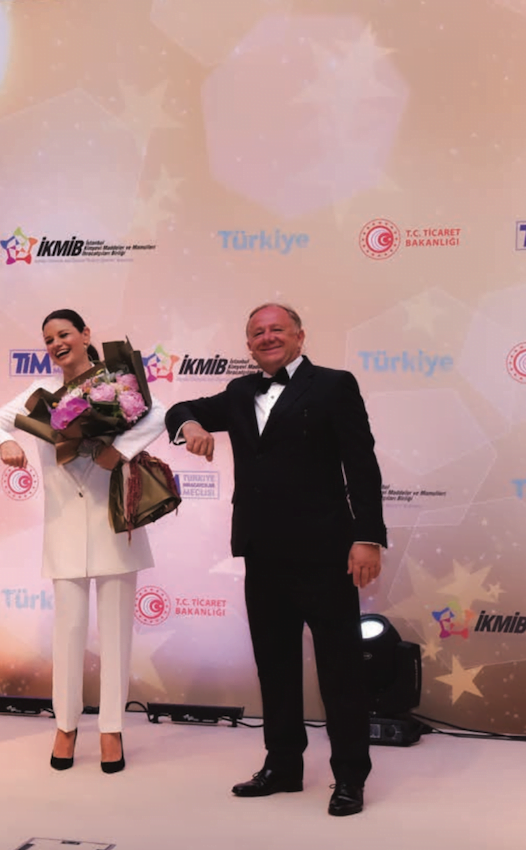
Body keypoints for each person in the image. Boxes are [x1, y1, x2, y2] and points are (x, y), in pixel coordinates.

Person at [165, 303, 385, 817]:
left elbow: (361, 464)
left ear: (300, 336)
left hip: (326, 553)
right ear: (248, 345)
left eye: (277, 329)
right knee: (275, 666)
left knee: (340, 671)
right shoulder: (240, 392)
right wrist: (191, 426)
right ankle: (283, 766)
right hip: (261, 552)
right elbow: (179, 409)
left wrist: (368, 537)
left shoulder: (334, 385)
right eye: (257, 333)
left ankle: (349, 776)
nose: (267, 338)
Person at [0, 309, 165, 773]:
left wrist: (119, 450)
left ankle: (112, 729)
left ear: (85, 335)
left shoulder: (117, 384)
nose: (57, 343)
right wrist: (5, 444)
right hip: (63, 528)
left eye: (64, 334)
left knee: (117, 636)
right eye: (48, 339)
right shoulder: (39, 395)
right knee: (68, 634)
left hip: (115, 522)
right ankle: (65, 726)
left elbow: (159, 414)